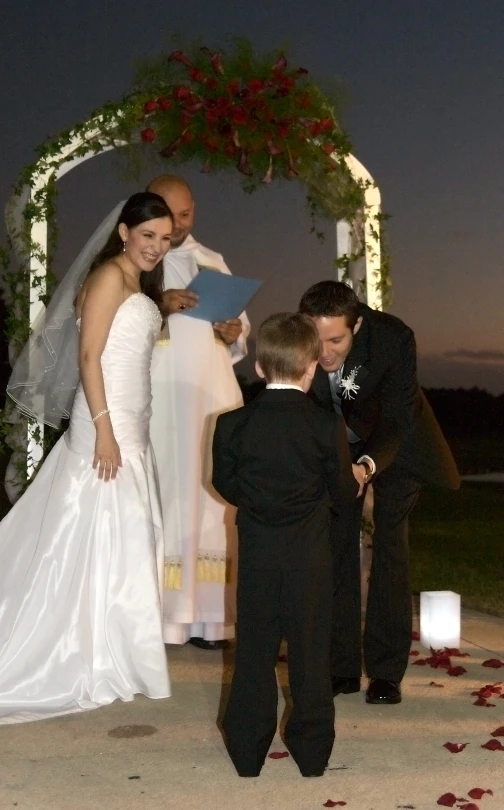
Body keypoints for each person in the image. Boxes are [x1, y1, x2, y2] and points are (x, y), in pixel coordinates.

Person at [0, 192, 173, 724]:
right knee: (91, 534)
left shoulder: (139, 283)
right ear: (124, 232)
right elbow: (88, 357)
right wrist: (103, 430)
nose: (156, 248)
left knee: (124, 536)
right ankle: (85, 654)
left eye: (166, 239)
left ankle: (118, 651)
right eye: (148, 236)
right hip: (105, 423)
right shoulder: (106, 278)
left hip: (131, 424)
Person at [299, 281, 460, 706]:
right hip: (338, 445)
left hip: (396, 447)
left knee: (391, 545)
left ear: (358, 325)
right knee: (337, 546)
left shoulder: (393, 338)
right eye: (317, 340)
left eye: (336, 340)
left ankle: (386, 672)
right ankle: (341, 667)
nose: (325, 353)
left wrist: (367, 467)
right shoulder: (297, 338)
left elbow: (396, 420)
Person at [212, 313, 357, 777]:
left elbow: (225, 483)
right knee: (311, 651)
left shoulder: (231, 424)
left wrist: (259, 506)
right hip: (309, 558)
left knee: (253, 649)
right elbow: (340, 490)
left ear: (258, 366)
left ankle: (247, 752)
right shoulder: (325, 426)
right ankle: (312, 752)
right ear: (312, 366)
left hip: (257, 555)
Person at [146, 174, 250, 649]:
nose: (181, 224)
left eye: (187, 214)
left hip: (211, 392)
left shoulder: (213, 261)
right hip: (162, 394)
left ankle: (210, 620)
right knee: (166, 490)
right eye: (171, 215)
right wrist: (158, 305)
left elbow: (240, 335)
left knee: (212, 495)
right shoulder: (139, 264)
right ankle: (163, 615)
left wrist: (233, 332)